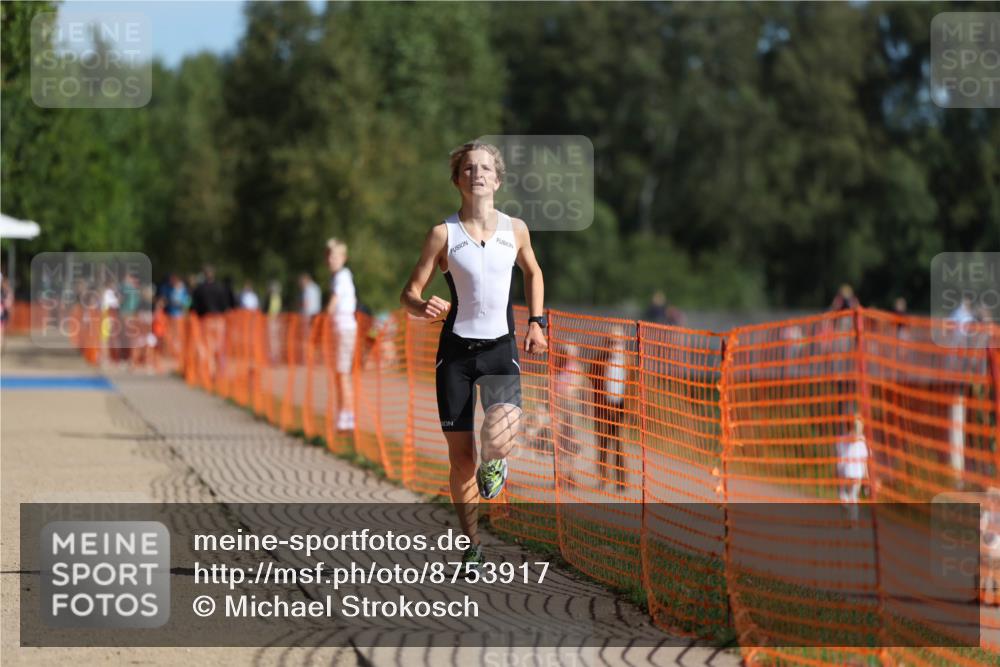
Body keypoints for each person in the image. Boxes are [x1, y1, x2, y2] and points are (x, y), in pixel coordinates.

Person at [399, 141, 548, 568]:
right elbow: (409, 293)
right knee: (462, 458)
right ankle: (472, 544)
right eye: (468, 168)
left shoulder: (515, 229)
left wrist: (537, 323)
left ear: (497, 180)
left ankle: (496, 465)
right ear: (458, 179)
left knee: (496, 440)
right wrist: (420, 304)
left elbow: (533, 271)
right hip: (457, 354)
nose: (477, 173)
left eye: (485, 168)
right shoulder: (442, 234)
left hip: (501, 348)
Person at [590, 326, 630, 492]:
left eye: (618, 342)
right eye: (612, 342)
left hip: (621, 409)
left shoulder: (629, 362)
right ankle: (604, 478)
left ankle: (622, 481)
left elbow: (634, 388)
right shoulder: (599, 361)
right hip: (603, 408)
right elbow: (591, 382)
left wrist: (631, 410)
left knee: (620, 445)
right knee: (603, 444)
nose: (615, 345)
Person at [326, 238, 358, 431]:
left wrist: (323, 316)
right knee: (340, 373)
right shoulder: (339, 276)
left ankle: (347, 416)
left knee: (343, 373)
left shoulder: (342, 276)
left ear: (343, 258)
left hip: (345, 329)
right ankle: (344, 413)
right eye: (328, 256)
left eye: (334, 256)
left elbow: (334, 301)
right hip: (340, 329)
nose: (330, 260)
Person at [552, 343, 586, 487]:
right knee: (558, 444)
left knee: (571, 443)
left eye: (570, 353)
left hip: (571, 410)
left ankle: (570, 475)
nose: (567, 356)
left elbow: (577, 388)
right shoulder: (556, 369)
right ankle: (559, 475)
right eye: (565, 353)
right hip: (558, 410)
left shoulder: (577, 369)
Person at [836, 413, 869, 524]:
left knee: (851, 497)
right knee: (847, 497)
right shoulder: (844, 440)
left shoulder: (862, 442)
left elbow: (864, 461)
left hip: (853, 473)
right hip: (846, 473)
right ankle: (850, 519)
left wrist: (866, 477)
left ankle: (852, 521)